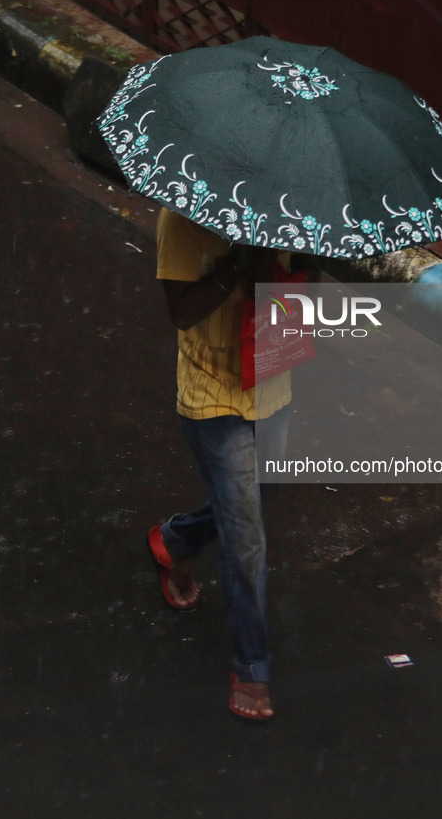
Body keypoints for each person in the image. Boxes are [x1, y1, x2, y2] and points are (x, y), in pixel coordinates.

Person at [148, 206, 298, 721]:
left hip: (273, 375)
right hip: (215, 396)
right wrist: (239, 265)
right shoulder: (182, 219)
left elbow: (306, 287)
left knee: (262, 496)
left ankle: (178, 539)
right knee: (246, 538)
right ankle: (252, 667)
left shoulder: (289, 207)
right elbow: (181, 311)